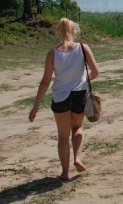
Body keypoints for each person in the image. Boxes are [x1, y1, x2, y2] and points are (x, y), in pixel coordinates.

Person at [28, 18, 99, 180]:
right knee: (77, 128)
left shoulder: (52, 53)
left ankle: (65, 172)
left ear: (58, 31)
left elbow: (46, 81)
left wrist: (35, 106)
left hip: (60, 96)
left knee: (62, 136)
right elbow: (95, 72)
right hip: (79, 94)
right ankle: (77, 158)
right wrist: (82, 80)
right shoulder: (83, 48)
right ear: (74, 30)